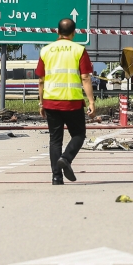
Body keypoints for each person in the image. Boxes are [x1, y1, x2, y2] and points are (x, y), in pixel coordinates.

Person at [36, 18, 95, 185]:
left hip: (51, 101)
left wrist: (41, 103)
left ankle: (56, 177)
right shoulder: (79, 50)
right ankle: (66, 158)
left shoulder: (46, 51)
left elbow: (41, 80)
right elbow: (85, 78)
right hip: (72, 102)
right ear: (74, 33)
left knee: (55, 140)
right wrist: (91, 102)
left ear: (57, 32)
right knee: (78, 134)